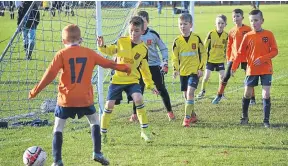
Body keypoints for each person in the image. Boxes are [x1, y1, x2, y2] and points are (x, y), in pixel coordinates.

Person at [29, 24, 131, 166]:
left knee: (58, 127)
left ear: (64, 41)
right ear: (81, 39)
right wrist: (123, 67)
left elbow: (50, 75)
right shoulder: (89, 53)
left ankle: (57, 160)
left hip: (66, 99)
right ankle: (97, 152)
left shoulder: (61, 54)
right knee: (95, 121)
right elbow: (108, 63)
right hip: (85, 99)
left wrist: (35, 91)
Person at [97, 16, 159, 143]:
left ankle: (144, 131)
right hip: (117, 80)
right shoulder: (121, 41)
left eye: (136, 31)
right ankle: (102, 134)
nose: (133, 33)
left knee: (138, 98)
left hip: (132, 81)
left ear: (142, 31)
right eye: (131, 30)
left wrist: (150, 85)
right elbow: (109, 50)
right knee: (109, 105)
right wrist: (102, 46)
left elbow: (145, 70)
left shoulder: (143, 49)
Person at [231, 10, 278, 128]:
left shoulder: (269, 34)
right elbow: (240, 53)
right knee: (247, 93)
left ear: (262, 21)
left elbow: (275, 51)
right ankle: (244, 117)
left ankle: (266, 121)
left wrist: (263, 58)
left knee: (266, 94)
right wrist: (234, 66)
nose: (253, 23)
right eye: (251, 21)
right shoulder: (247, 36)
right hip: (251, 69)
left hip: (266, 69)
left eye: (256, 20)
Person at [128, 11, 175, 122]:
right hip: (139, 68)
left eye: (143, 21)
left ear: (147, 22)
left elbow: (163, 48)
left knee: (161, 89)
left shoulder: (153, 34)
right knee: (138, 90)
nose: (140, 23)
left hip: (154, 66)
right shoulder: (132, 36)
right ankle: (134, 114)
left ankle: (170, 112)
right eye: (138, 20)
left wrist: (164, 61)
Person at [211, 9, 256, 104]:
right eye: (234, 17)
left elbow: (252, 43)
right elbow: (229, 46)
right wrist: (228, 58)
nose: (236, 18)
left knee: (249, 76)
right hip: (234, 57)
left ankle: (252, 98)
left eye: (238, 16)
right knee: (226, 76)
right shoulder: (231, 31)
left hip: (245, 57)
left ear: (242, 18)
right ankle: (219, 95)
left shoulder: (248, 29)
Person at [172, 13, 207, 127]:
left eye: (185, 24)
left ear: (190, 25)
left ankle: (186, 119)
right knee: (186, 96)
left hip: (194, 72)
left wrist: (201, 68)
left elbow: (203, 53)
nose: (183, 26)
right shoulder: (177, 41)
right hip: (183, 72)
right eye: (180, 24)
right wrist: (175, 69)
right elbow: (175, 57)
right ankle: (192, 115)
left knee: (190, 92)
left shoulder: (196, 38)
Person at [197, 14, 228, 98]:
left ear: (225, 24)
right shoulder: (211, 34)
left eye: (222, 23)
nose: (220, 25)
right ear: (215, 24)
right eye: (218, 23)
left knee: (222, 77)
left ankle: (221, 93)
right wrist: (202, 55)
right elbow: (204, 46)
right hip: (210, 60)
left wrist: (227, 58)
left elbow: (227, 48)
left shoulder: (226, 36)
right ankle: (202, 91)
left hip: (220, 60)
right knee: (206, 76)